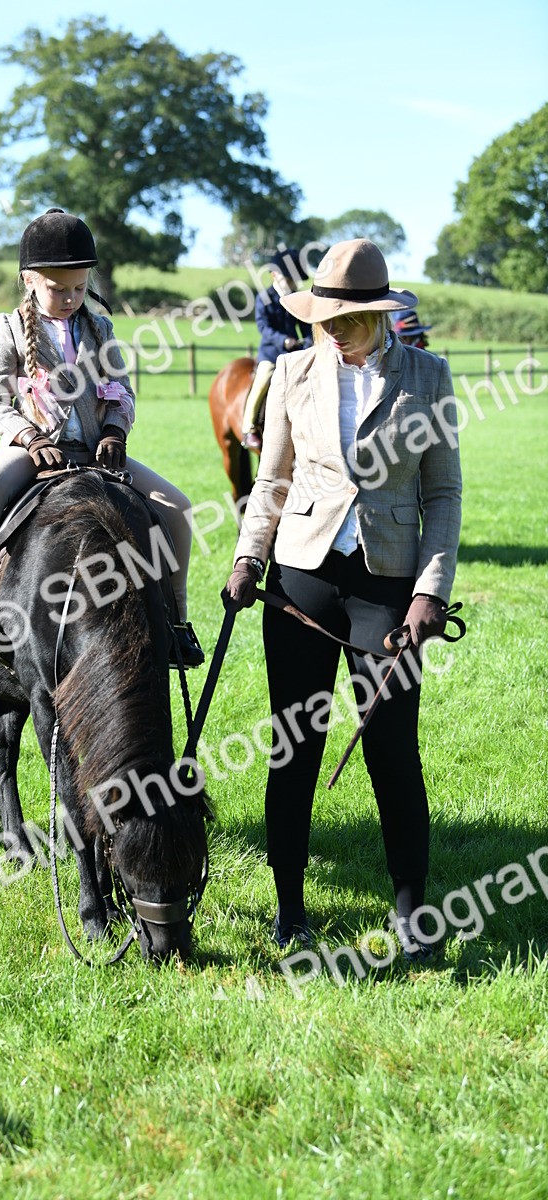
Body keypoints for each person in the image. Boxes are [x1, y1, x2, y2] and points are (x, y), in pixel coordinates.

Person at [222, 238, 462, 961]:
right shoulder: (294, 371)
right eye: (323, 316)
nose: (331, 329)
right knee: (294, 744)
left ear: (378, 315)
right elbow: (271, 482)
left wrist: (430, 591)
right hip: (302, 576)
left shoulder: (428, 375)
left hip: (388, 584)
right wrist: (246, 557)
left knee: (392, 745)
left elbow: (443, 493)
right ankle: (289, 907)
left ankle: (411, 909)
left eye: (346, 319)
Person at [0, 207, 204, 668]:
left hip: (97, 455)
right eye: (58, 289)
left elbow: (122, 391)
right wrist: (28, 437)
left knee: (178, 507)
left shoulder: (100, 329)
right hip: (32, 454)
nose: (70, 298)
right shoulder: (7, 332)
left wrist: (113, 431)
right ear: (29, 280)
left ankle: (176, 622)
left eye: (80, 288)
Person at [241, 249, 313, 453]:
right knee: (263, 379)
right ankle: (249, 428)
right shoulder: (264, 298)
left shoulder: (295, 299)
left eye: (293, 281)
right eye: (288, 279)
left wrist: (309, 341)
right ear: (274, 275)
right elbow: (263, 327)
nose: (291, 284)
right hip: (271, 353)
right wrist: (284, 340)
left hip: (294, 354)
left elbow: (306, 325)